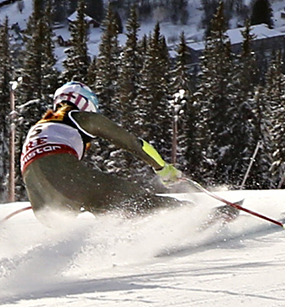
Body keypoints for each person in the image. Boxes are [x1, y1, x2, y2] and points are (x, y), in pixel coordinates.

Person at [19, 81, 186, 217]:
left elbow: (38, 164)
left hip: (36, 192)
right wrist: (163, 169)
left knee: (104, 206)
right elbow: (132, 142)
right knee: (132, 197)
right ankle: (186, 215)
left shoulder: (42, 125)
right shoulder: (77, 117)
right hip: (63, 171)